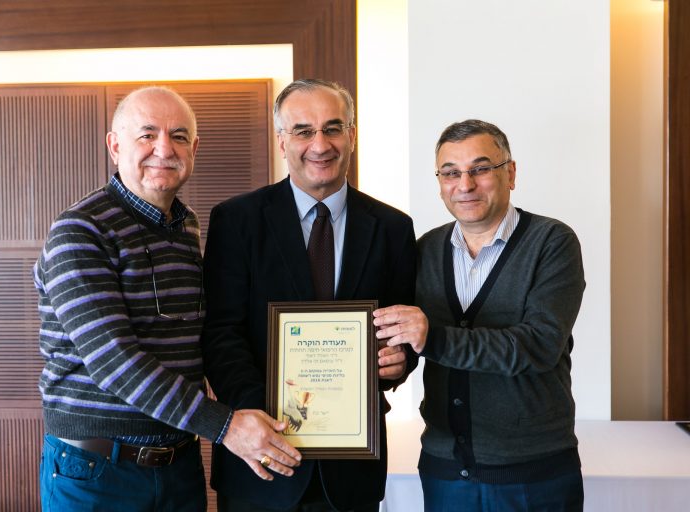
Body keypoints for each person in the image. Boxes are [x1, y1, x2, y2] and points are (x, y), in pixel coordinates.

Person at [33, 86, 300, 512]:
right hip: (98, 471)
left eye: (178, 136)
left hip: (179, 465)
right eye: (147, 134)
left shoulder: (185, 225)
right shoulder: (81, 230)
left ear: (194, 149)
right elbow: (114, 361)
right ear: (115, 145)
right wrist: (226, 426)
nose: (164, 148)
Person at [201, 78, 418, 511]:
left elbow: (402, 329)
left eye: (333, 128)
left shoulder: (393, 227)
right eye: (303, 131)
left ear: (351, 135)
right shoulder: (236, 220)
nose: (320, 144)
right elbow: (220, 333)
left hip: (352, 470)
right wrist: (264, 418)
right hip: (262, 462)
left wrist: (401, 361)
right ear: (282, 141)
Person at [374, 119, 586, 511]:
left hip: (532, 473)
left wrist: (433, 337)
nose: (465, 184)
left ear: (511, 173)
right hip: (444, 471)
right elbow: (412, 342)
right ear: (440, 182)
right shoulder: (425, 250)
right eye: (450, 173)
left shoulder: (552, 242)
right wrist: (395, 364)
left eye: (480, 169)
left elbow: (539, 345)